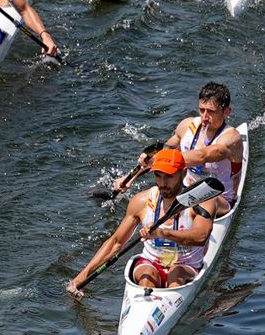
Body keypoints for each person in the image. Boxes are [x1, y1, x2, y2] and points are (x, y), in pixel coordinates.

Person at [68, 149, 215, 297]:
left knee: (176, 275)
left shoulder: (200, 200)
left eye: (169, 176)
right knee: (147, 278)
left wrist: (162, 233)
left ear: (183, 174)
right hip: (150, 263)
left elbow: (200, 237)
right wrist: (83, 276)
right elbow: (116, 243)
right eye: (158, 176)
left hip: (186, 266)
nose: (163, 183)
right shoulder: (142, 201)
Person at [108, 82, 243, 218]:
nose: (204, 117)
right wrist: (130, 177)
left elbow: (203, 155)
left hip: (219, 199)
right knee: (151, 195)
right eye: (202, 110)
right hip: (185, 191)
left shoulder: (232, 138)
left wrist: (161, 159)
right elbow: (163, 153)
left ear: (226, 112)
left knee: (203, 202)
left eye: (211, 112)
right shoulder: (187, 125)